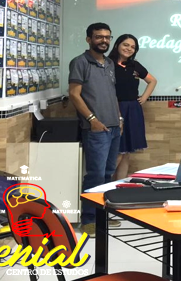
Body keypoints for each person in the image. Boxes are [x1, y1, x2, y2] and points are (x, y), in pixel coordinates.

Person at [68, 22, 123, 237]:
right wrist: (92, 119)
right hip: (95, 129)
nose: (104, 41)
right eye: (99, 37)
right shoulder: (80, 62)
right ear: (89, 39)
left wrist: (119, 117)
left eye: (107, 37)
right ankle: (89, 219)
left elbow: (112, 93)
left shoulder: (109, 63)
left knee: (108, 173)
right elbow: (74, 94)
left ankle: (102, 215)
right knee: (96, 174)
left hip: (113, 127)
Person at [109, 34, 157, 179]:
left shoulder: (135, 65)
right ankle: (104, 185)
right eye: (125, 45)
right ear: (117, 45)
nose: (129, 49)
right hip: (115, 109)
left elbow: (152, 81)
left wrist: (144, 97)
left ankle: (120, 185)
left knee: (126, 153)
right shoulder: (108, 64)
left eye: (133, 47)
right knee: (117, 151)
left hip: (133, 110)